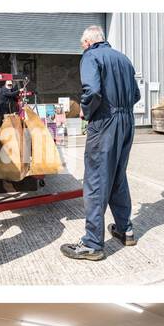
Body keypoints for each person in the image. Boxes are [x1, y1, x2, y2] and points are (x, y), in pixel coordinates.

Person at [62, 27, 139, 262]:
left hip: (105, 122)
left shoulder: (91, 56)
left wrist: (86, 112)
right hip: (127, 122)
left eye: (82, 44)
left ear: (87, 42)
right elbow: (135, 94)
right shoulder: (123, 59)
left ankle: (92, 244)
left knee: (96, 180)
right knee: (117, 175)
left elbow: (92, 90)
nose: (82, 48)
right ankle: (125, 229)